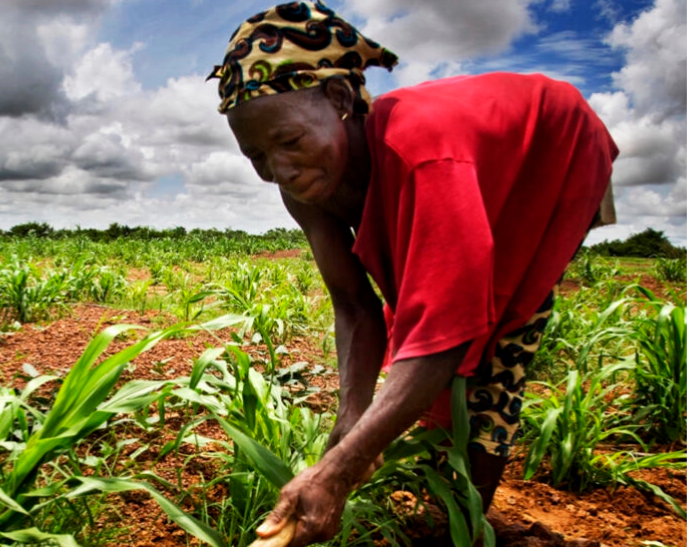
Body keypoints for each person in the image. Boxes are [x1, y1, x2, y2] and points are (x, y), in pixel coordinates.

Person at [207, 2, 618, 546]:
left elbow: (445, 331)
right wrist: (352, 419)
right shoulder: (301, 184)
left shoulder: (424, 154)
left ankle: (462, 523)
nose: (279, 170)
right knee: (425, 315)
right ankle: (440, 474)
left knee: (492, 329)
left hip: (550, 153)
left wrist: (338, 472)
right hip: (462, 168)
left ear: (339, 100)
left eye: (290, 141)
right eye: (256, 156)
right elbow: (355, 304)